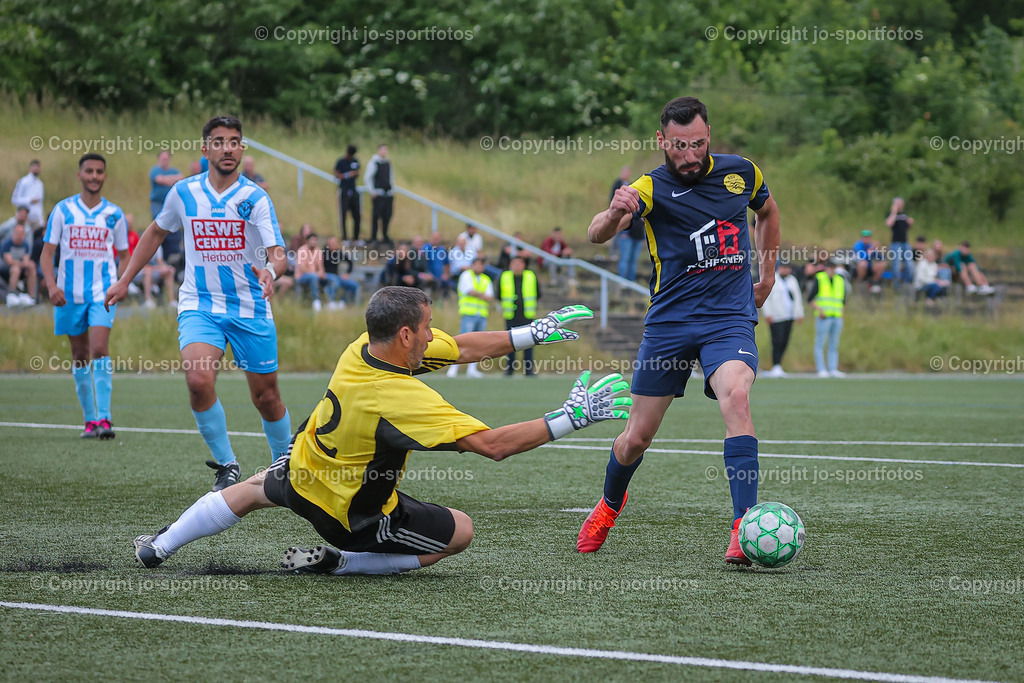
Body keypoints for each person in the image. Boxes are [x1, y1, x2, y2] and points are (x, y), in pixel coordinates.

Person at [131, 287, 627, 574]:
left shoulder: (363, 346)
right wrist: (572, 418)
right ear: (407, 334)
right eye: (429, 326)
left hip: (302, 472)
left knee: (249, 492)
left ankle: (160, 545)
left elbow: (466, 349)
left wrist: (531, 333)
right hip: (350, 516)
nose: (435, 335)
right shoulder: (401, 398)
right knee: (459, 532)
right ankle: (345, 563)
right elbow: (492, 446)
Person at [576, 96, 781, 566]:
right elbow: (596, 234)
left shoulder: (742, 173)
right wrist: (613, 211)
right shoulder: (649, 187)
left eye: (699, 144)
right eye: (679, 146)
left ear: (711, 134)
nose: (689, 156)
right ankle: (609, 505)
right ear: (661, 140)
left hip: (728, 318)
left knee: (737, 396)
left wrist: (766, 277)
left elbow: (767, 213)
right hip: (670, 323)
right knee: (636, 438)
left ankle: (743, 527)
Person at [105, 115, 292, 491]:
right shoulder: (184, 193)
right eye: (220, 141)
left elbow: (278, 252)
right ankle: (226, 464)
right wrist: (125, 279)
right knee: (198, 380)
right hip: (199, 304)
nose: (228, 148)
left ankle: (284, 464)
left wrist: (271, 270)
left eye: (235, 141)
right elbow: (157, 231)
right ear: (205, 148)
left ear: (242, 148)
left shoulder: (254, 197)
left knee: (266, 396)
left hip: (249, 308)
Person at [40, 154, 130, 439]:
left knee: (99, 348)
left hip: (102, 294)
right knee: (79, 356)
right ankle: (90, 420)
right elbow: (46, 254)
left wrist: (122, 283)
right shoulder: (62, 210)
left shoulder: (114, 214)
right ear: (80, 175)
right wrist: (52, 286)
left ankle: (105, 419)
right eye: (89, 171)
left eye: (99, 172)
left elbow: (126, 255)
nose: (94, 176)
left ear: (105, 176)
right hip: (69, 295)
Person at [447, 257, 493, 378]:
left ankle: (472, 369)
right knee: (462, 341)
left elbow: (490, 296)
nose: (478, 267)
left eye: (481, 265)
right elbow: (469, 291)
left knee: (478, 343)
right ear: (472, 265)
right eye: (476, 265)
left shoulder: (485, 279)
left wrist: (477, 294)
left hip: (482, 314)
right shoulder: (466, 275)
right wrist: (481, 295)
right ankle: (453, 368)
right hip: (469, 313)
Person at [760, 259, 803, 377]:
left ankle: (779, 365)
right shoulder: (773, 280)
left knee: (785, 340)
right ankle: (775, 365)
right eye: (784, 267)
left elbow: (797, 297)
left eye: (788, 268)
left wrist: (799, 313)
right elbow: (767, 299)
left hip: (789, 315)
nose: (786, 270)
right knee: (777, 340)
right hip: (776, 315)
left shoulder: (792, 280)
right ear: (779, 268)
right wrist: (768, 313)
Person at [500, 255, 541, 376]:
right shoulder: (505, 276)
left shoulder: (530, 276)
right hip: (511, 315)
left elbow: (538, 293)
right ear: (510, 265)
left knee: (529, 343)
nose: (517, 266)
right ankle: (510, 369)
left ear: (523, 265)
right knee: (509, 344)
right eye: (514, 263)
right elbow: (499, 294)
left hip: (526, 315)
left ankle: (528, 369)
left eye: (519, 263)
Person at [806, 257, 846, 378]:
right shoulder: (820, 278)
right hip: (824, 316)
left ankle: (833, 368)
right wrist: (819, 310)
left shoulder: (840, 280)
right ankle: (821, 368)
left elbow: (843, 300)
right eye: (831, 267)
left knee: (834, 344)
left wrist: (842, 314)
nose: (832, 270)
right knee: (820, 343)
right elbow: (810, 299)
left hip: (837, 316)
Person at [611, 167, 645, 282]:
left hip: (638, 234)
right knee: (625, 258)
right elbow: (621, 212)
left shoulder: (642, 197)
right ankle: (623, 282)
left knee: (633, 260)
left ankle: (630, 283)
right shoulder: (619, 185)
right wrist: (623, 231)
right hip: (627, 233)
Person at [1, 222, 38, 307]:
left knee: (31, 266)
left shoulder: (25, 245)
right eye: (18, 233)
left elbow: (26, 260)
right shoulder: (7, 244)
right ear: (14, 233)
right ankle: (11, 295)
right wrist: (21, 263)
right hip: (6, 269)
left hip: (19, 267)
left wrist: (23, 264)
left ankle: (31, 296)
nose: (19, 236)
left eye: (21, 233)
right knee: (15, 269)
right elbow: (9, 261)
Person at [364, 144, 394, 245]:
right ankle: (374, 237)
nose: (384, 152)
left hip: (388, 194)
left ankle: (385, 235)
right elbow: (367, 178)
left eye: (385, 150)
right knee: (376, 216)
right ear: (378, 151)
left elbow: (391, 178)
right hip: (378, 193)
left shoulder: (388, 163)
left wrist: (392, 191)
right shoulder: (374, 162)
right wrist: (372, 191)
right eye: (382, 150)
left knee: (387, 216)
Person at [334, 144, 361, 242]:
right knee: (343, 214)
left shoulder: (355, 161)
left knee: (357, 214)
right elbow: (336, 174)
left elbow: (357, 172)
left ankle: (356, 237)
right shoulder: (341, 161)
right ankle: (344, 236)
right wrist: (347, 175)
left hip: (353, 189)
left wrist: (354, 174)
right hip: (344, 190)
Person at [294, 232, 328, 311]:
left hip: (315, 275)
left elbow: (320, 267)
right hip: (301, 276)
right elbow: (302, 268)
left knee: (331, 279)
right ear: (307, 241)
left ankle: (330, 303)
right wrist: (316, 274)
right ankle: (316, 301)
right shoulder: (301, 251)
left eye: (315, 240)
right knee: (313, 277)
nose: (314, 242)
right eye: (312, 240)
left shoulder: (318, 251)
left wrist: (321, 273)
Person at [323, 235, 360, 307]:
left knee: (354, 285)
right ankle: (330, 303)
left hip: (337, 277)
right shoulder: (323, 253)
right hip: (326, 276)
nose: (333, 245)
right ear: (328, 244)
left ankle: (344, 302)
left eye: (335, 243)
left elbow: (350, 262)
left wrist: (347, 273)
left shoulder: (338, 253)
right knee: (334, 281)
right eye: (331, 243)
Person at [885, 197, 914, 286]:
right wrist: (894, 212)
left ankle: (907, 283)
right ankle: (896, 286)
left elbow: (908, 228)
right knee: (896, 266)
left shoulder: (905, 215)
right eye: (897, 203)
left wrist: (910, 223)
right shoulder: (891, 214)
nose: (900, 205)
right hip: (895, 244)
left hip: (905, 243)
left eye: (901, 203)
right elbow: (888, 223)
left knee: (910, 266)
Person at [149, 151, 184, 219]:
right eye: (164, 159)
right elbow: (159, 179)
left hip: (171, 202)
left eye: (167, 159)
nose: (165, 161)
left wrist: (165, 179)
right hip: (158, 202)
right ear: (159, 159)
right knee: (158, 220)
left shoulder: (174, 170)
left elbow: (181, 178)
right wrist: (173, 179)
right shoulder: (155, 170)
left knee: (173, 221)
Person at [11, 160, 44, 230]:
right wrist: (29, 200)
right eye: (34, 167)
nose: (36, 169)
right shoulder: (23, 182)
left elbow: (40, 204)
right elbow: (15, 199)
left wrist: (41, 220)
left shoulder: (40, 184)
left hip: (36, 221)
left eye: (38, 167)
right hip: (24, 219)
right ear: (30, 168)